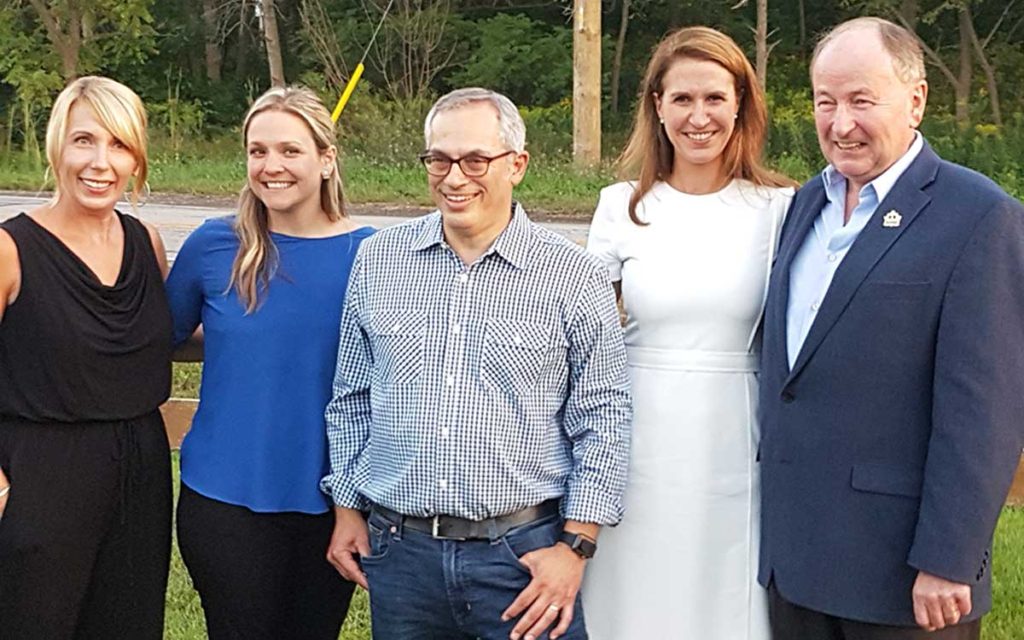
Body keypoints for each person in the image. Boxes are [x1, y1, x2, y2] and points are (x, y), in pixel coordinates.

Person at [321, 87, 631, 640]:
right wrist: (347, 508)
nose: (454, 177)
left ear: (518, 165)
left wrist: (576, 547)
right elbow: (352, 397)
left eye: (474, 160)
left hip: (522, 558)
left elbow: (603, 416)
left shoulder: (571, 274)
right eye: (439, 159)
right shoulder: (379, 261)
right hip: (401, 554)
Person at [759, 17, 1024, 640]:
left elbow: (986, 410)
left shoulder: (979, 216)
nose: (840, 122)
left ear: (916, 99)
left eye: (861, 100)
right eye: (826, 101)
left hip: (904, 578)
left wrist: (949, 558)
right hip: (796, 564)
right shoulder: (804, 205)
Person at [582, 26, 796, 640]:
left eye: (714, 99)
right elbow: (583, 336)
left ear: (741, 105)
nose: (698, 117)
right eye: (682, 99)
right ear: (657, 105)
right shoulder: (620, 205)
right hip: (637, 438)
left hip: (734, 434)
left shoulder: (779, 207)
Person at [164, 86, 369, 639]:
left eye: (290, 151)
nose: (271, 166)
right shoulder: (214, 245)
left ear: (326, 160)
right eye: (258, 151)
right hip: (224, 501)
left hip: (333, 503)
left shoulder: (375, 255)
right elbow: (152, 341)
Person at [0, 76, 172, 639]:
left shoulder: (146, 242)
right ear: (57, 148)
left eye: (119, 145)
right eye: (84, 141)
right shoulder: (10, 248)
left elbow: (158, 340)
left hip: (141, 474)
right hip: (41, 472)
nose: (100, 162)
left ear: (137, 158)